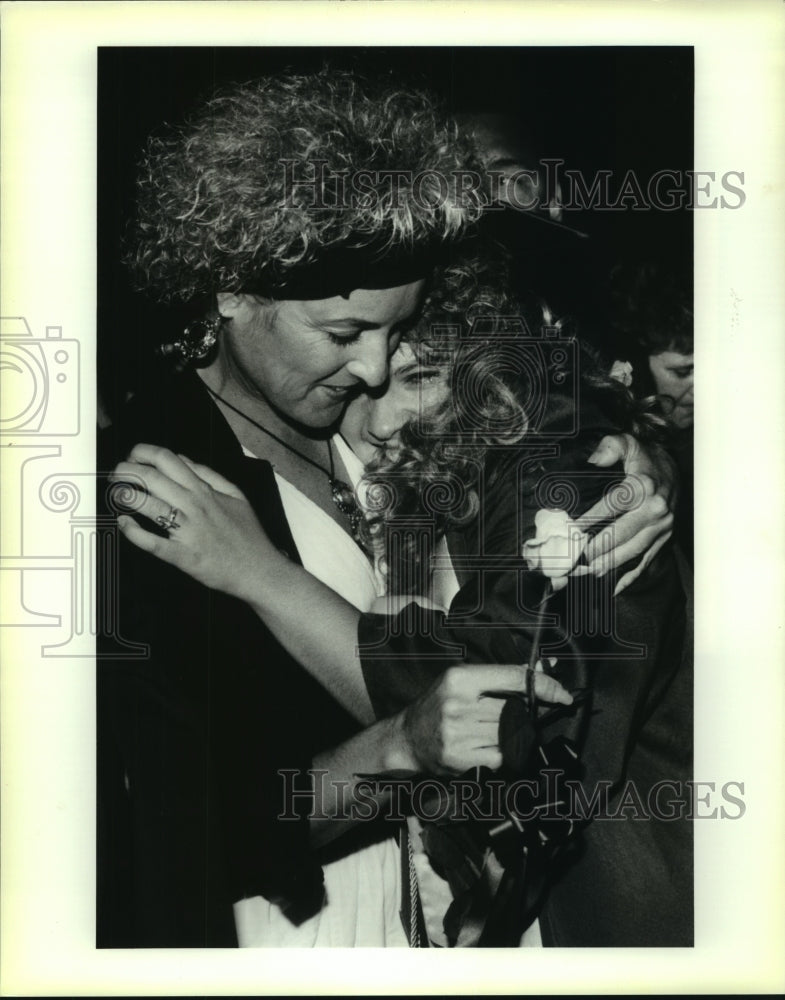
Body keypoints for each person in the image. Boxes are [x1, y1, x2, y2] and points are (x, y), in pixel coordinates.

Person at [97, 69, 586, 949]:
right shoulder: (148, 482)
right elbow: (171, 829)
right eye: (341, 334)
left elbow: (555, 439)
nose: (373, 369)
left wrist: (640, 467)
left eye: (398, 330)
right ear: (229, 289)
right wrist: (396, 749)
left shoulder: (379, 419)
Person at [111, 265, 690, 947]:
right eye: (370, 383)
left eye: (419, 380)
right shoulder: (414, 496)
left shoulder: (572, 473)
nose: (383, 419)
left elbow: (510, 727)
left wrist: (258, 572)